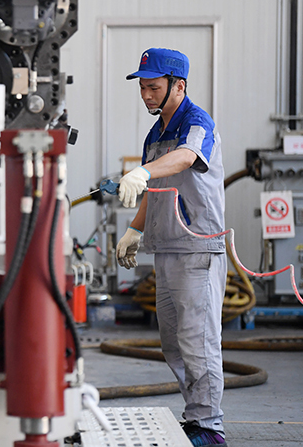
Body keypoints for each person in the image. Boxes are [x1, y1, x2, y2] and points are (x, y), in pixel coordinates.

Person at [116, 48, 227, 447]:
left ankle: (209, 427)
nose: (146, 95)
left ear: (178, 86)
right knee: (174, 343)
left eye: (154, 87)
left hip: (197, 248)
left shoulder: (196, 122)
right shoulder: (155, 133)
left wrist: (142, 171)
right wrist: (134, 230)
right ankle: (196, 417)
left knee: (198, 342)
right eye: (142, 88)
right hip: (166, 248)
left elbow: (185, 158)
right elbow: (155, 186)